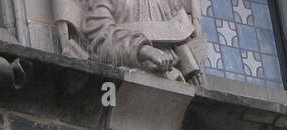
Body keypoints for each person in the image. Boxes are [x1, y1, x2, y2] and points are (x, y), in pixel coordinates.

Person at [71, 0, 204, 83]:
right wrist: (144, 50)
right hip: (125, 73)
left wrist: (190, 68)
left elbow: (178, 31)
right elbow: (100, 38)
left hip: (170, 76)